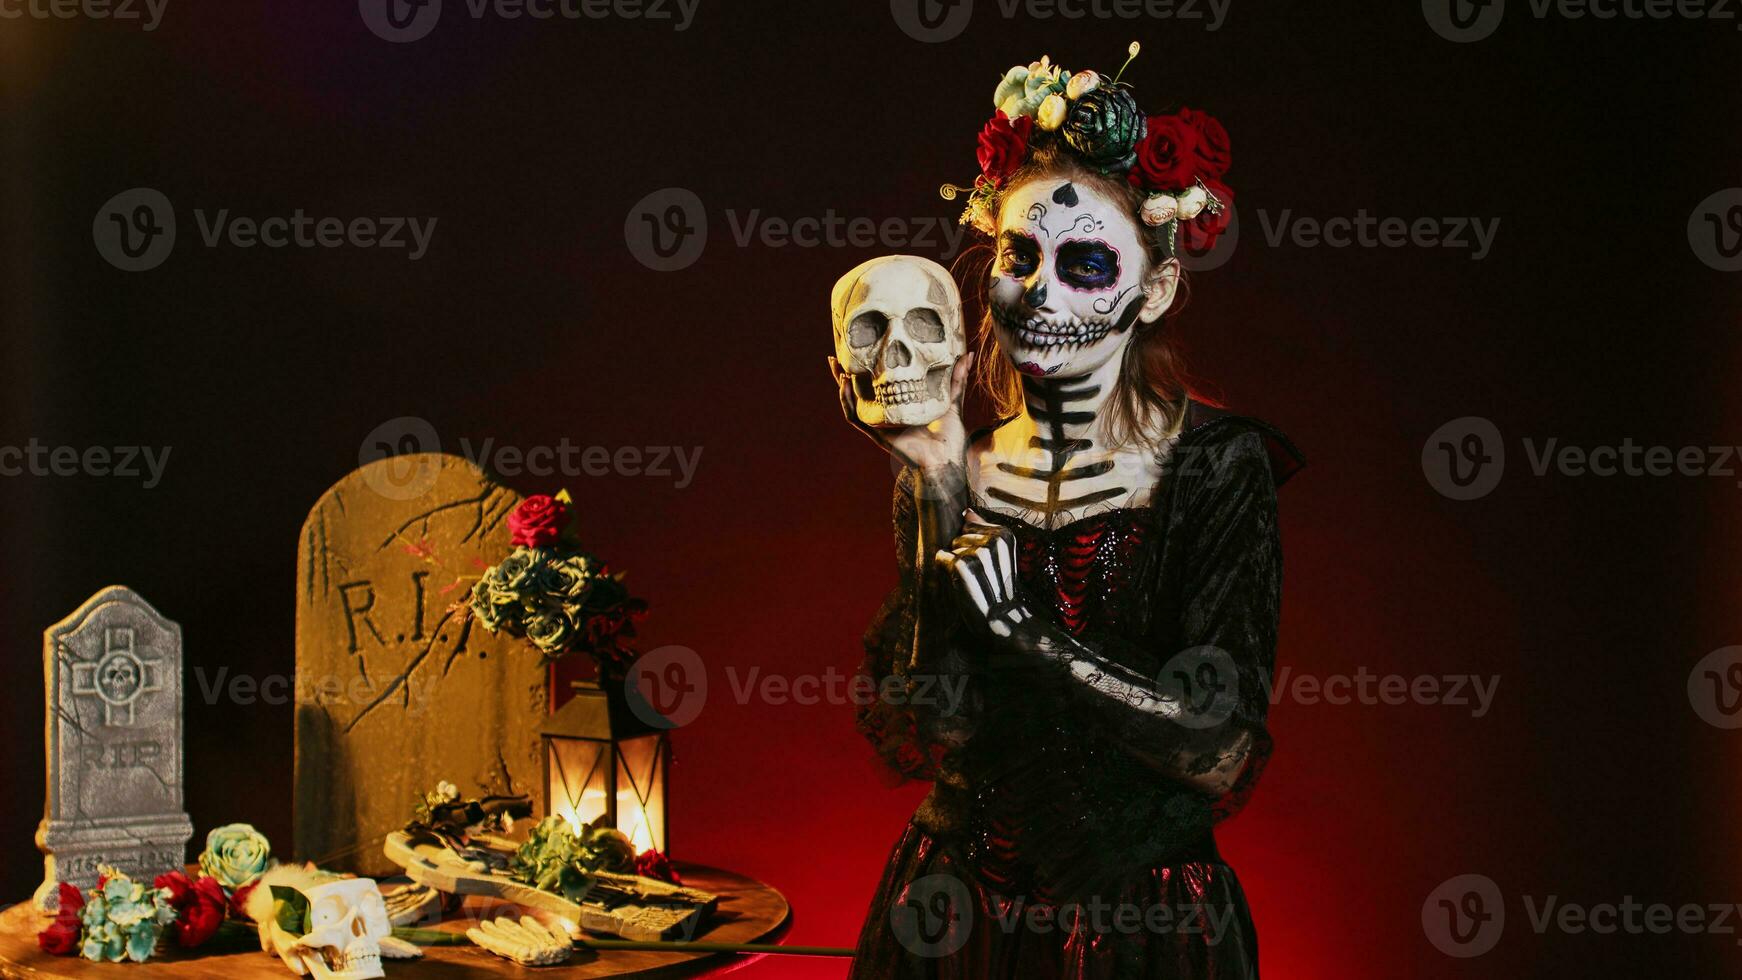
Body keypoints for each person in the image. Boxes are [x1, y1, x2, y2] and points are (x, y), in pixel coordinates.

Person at [832, 46, 1303, 979]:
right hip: (953, 921)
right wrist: (932, 484)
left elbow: (1216, 751)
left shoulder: (1215, 469)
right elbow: (938, 736)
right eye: (1019, 255)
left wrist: (1026, 631)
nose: (1040, 291)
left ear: (1153, 289)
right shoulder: (950, 464)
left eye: (1086, 262)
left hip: (1139, 931)